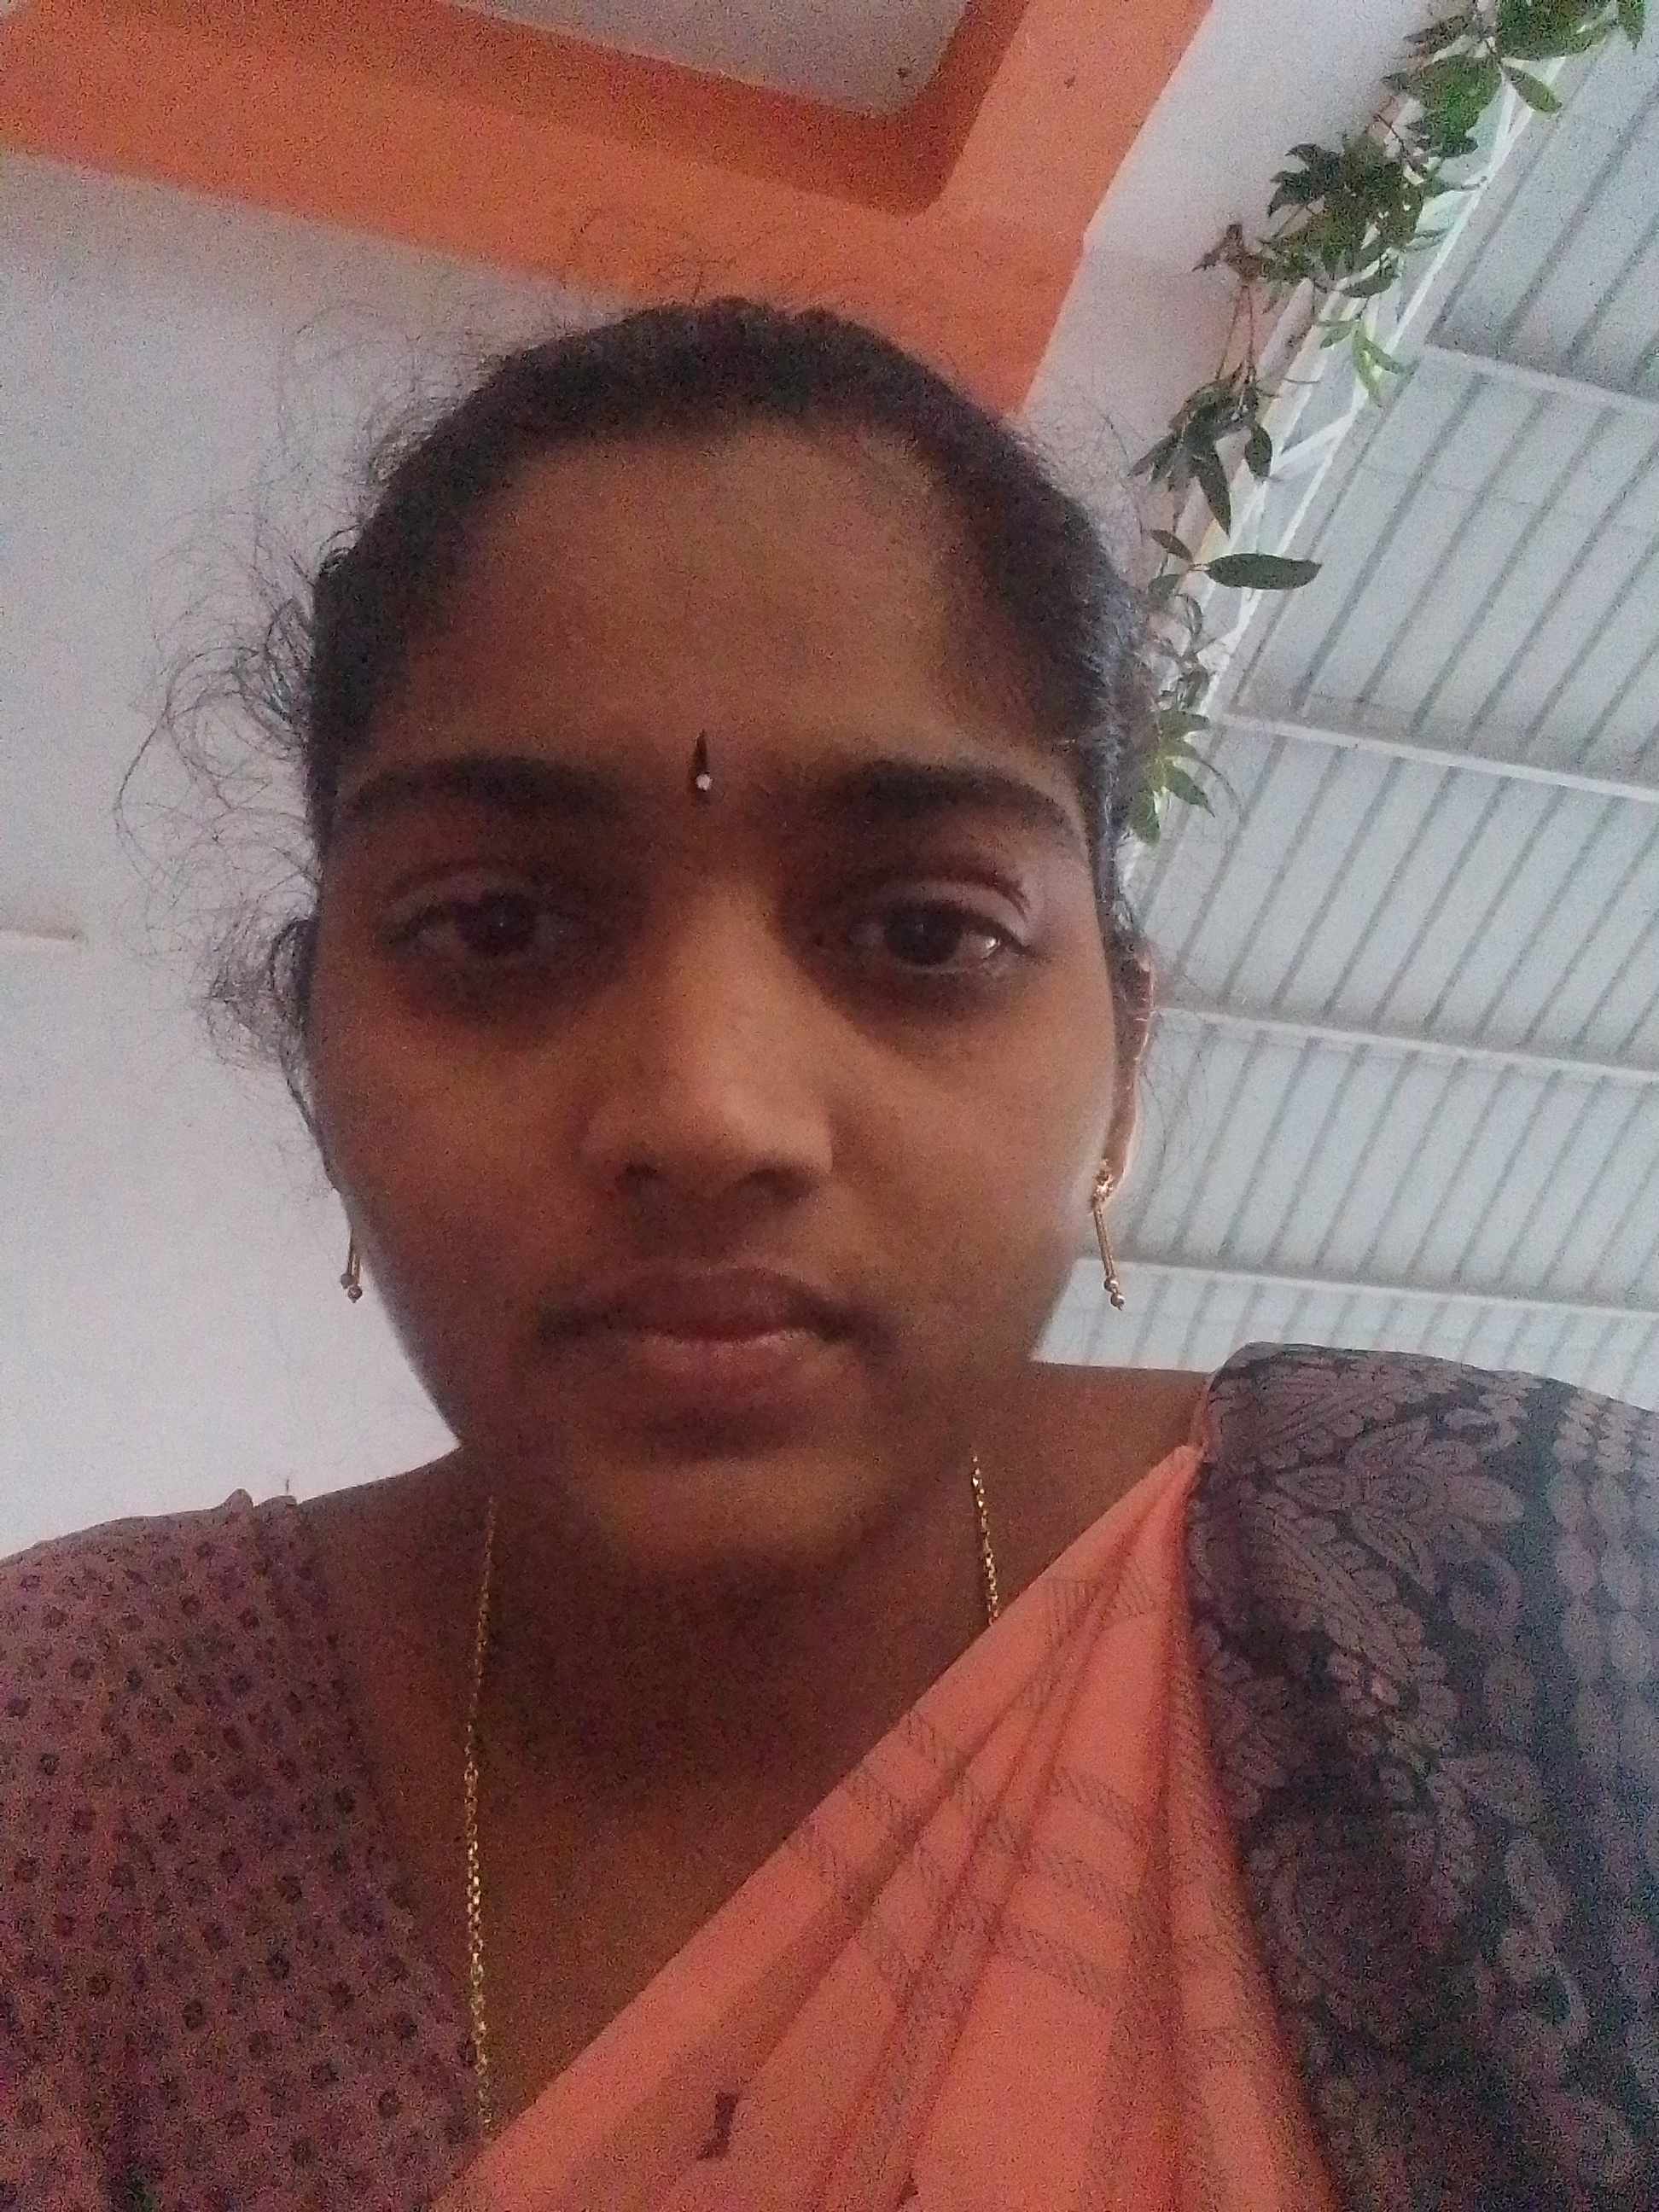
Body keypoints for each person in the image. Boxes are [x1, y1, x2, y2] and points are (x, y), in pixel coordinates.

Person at [3, 300, 1653, 2212]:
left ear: (1124, 1062)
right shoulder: (72, 1771)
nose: (709, 1113)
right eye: (498, 926)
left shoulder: (1520, 1589)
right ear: (317, 1065)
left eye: (925, 933)